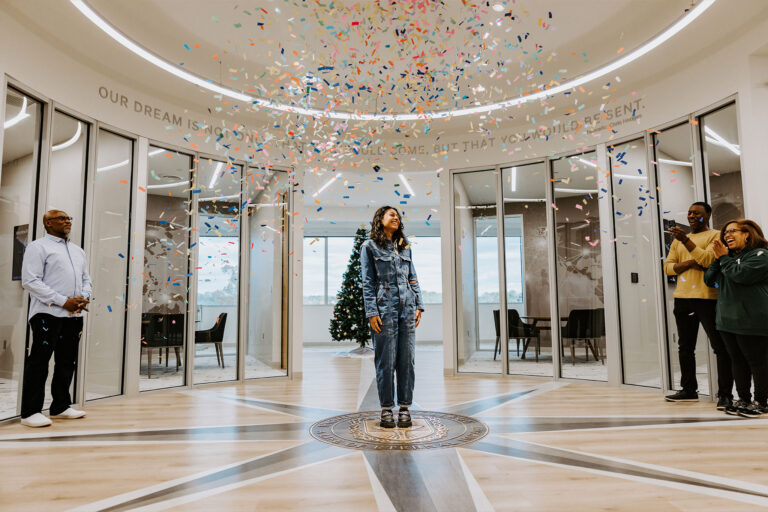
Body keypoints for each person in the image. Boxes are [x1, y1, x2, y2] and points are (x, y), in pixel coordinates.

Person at [19, 210, 91, 427]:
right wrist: (62, 300)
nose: (67, 221)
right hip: (46, 314)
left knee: (67, 361)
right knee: (40, 362)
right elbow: (30, 281)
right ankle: (30, 412)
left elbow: (86, 279)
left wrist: (83, 298)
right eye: (62, 218)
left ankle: (60, 406)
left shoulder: (78, 251)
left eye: (69, 218)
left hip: (73, 314)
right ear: (48, 223)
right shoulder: (37, 247)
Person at [663, 202, 733, 408]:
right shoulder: (677, 242)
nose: (692, 216)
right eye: (690, 213)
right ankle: (688, 390)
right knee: (685, 346)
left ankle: (725, 395)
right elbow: (668, 268)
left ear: (708, 215)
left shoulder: (716, 236)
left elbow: (707, 261)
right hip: (682, 298)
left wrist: (685, 242)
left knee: (720, 347)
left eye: (697, 213)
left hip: (707, 298)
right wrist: (689, 263)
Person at [361, 206, 424, 429]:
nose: (396, 217)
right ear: (380, 219)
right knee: (385, 361)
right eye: (391, 215)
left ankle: (405, 408)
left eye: (398, 215)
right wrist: (372, 312)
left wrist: (419, 305)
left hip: (407, 309)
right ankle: (386, 409)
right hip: (384, 309)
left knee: (407, 360)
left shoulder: (404, 247)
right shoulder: (369, 246)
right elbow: (368, 283)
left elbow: (413, 278)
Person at [704, 219, 768, 418]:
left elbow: (742, 275)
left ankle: (761, 402)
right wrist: (718, 257)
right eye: (725, 233)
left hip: (752, 320)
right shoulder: (727, 258)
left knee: (757, 362)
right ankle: (744, 400)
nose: (726, 235)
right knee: (737, 361)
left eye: (732, 231)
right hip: (727, 320)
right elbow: (709, 279)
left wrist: (724, 258)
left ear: (747, 233)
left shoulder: (761, 255)